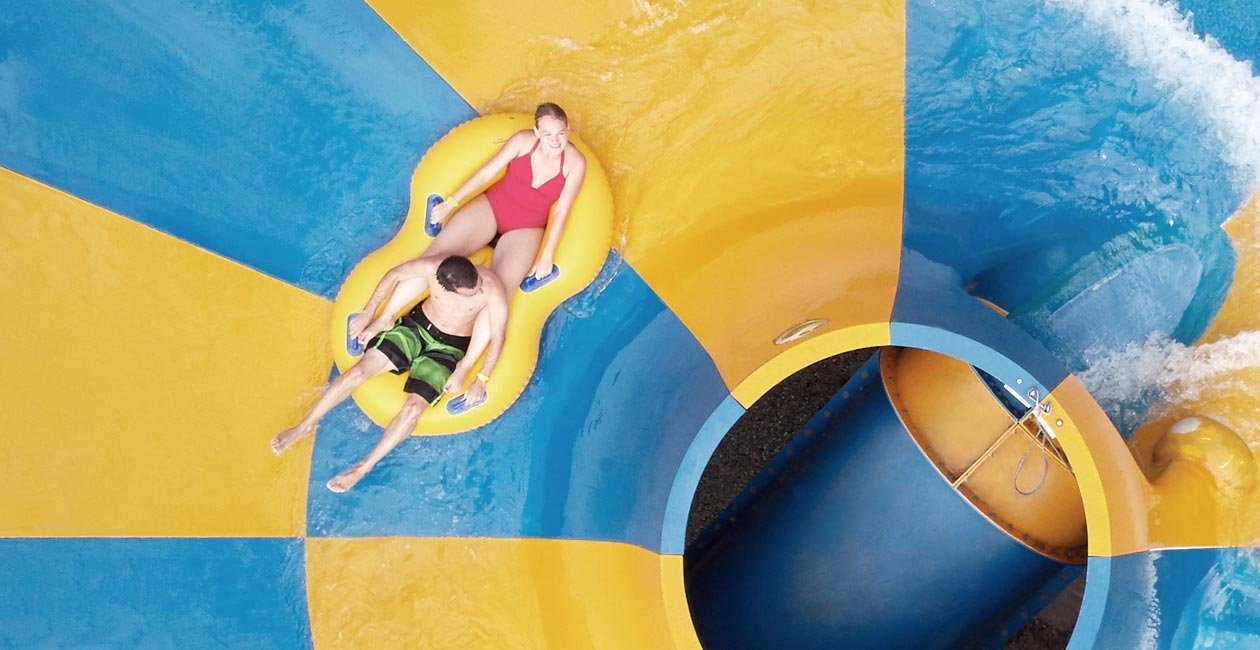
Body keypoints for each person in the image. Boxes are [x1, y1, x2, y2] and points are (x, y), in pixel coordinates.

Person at [271, 255, 508, 492]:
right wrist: (369, 312)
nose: (479, 289)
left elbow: (498, 336)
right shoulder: (432, 269)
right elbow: (394, 273)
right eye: (472, 290)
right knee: (359, 372)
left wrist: (480, 378)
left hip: (448, 348)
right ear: (449, 287)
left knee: (414, 409)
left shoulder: (490, 287)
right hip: (416, 327)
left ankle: (362, 468)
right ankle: (306, 424)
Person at [426, 102, 587, 293]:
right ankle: (387, 315)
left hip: (526, 228)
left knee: (498, 291)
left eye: (560, 133)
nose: (555, 141)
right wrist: (450, 203)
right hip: (493, 208)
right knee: (434, 257)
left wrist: (547, 255)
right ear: (537, 132)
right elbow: (487, 172)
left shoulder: (575, 162)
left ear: (567, 129)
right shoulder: (523, 141)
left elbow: (561, 211)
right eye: (547, 134)